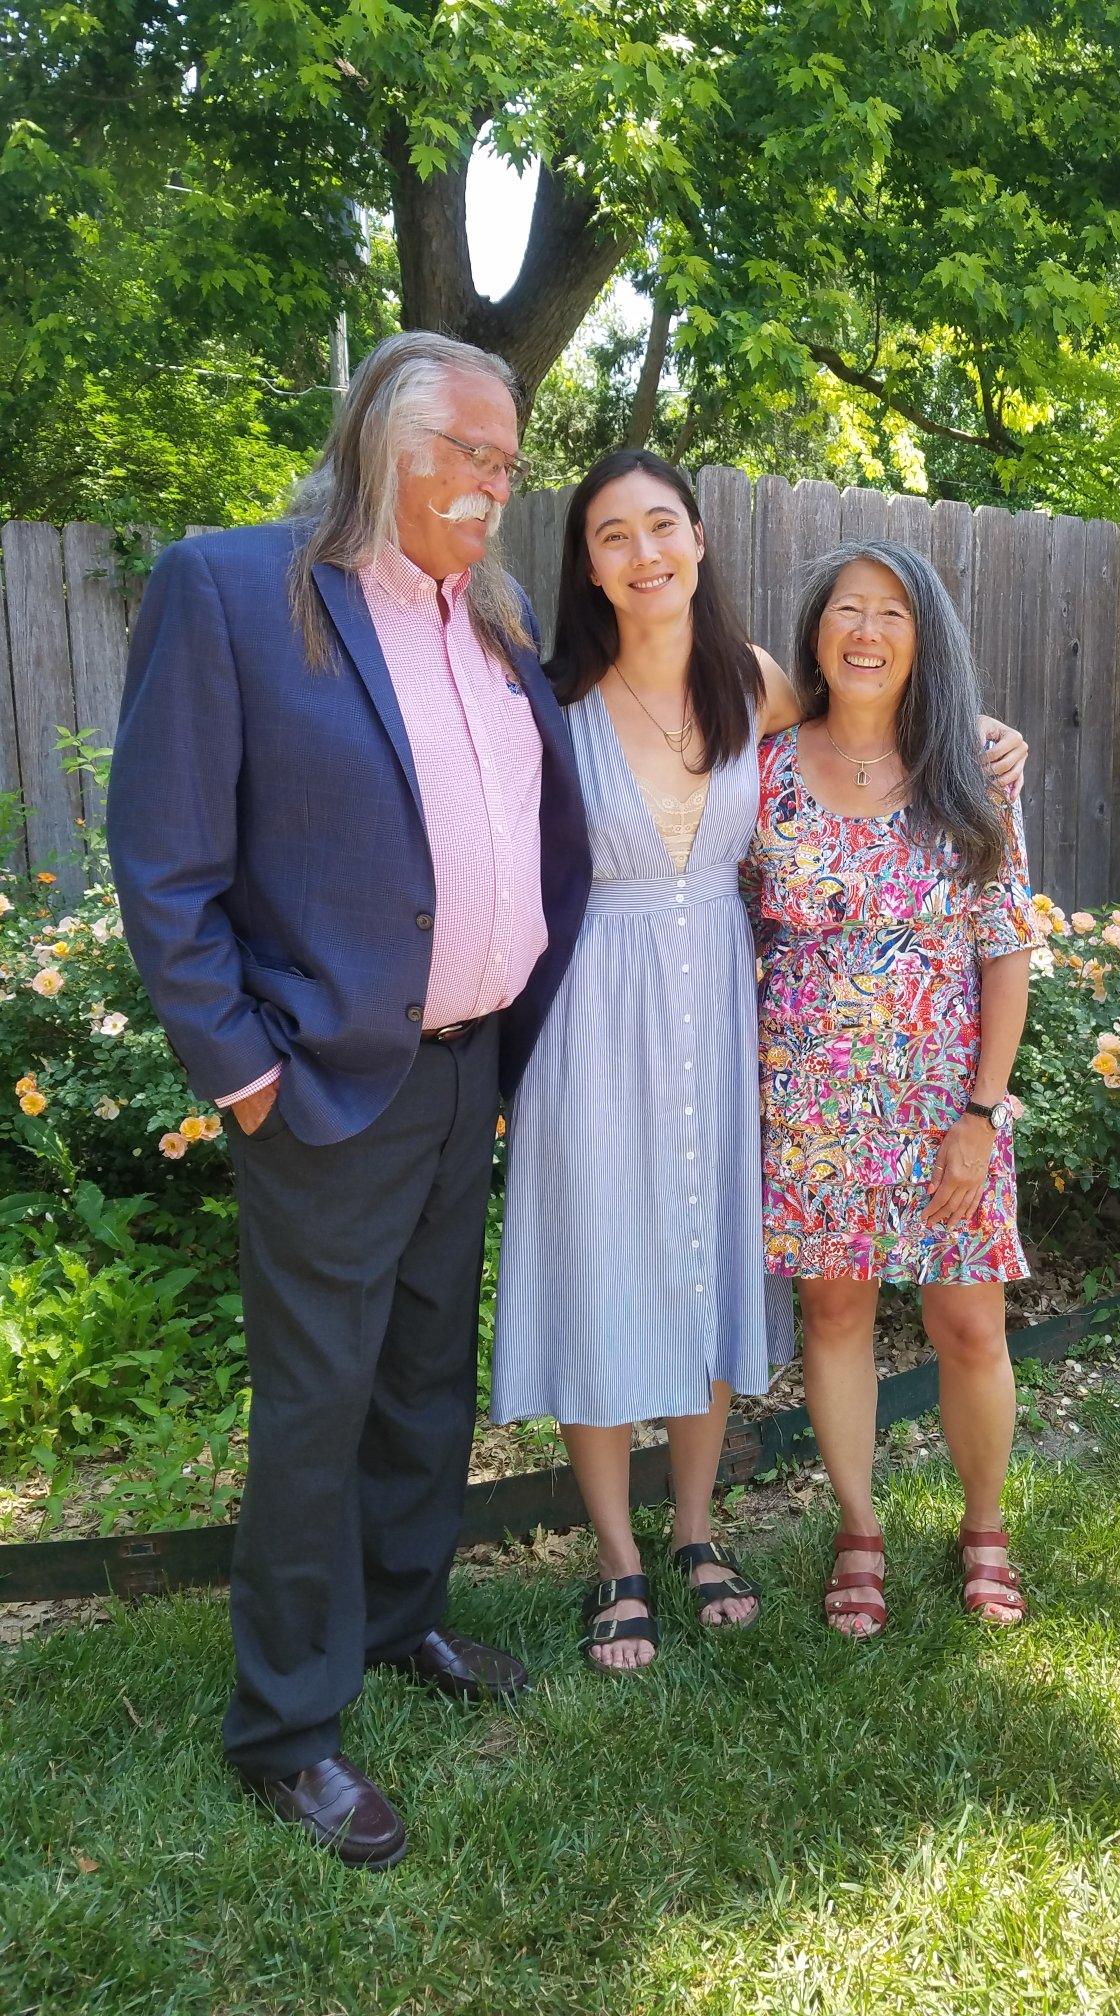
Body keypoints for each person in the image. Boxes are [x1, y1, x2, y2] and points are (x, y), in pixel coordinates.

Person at [107, 331, 591, 1867]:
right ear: (379, 435)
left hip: (463, 1080)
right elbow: (166, 865)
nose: (488, 484)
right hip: (324, 1090)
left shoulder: (494, 630)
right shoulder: (238, 590)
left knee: (422, 1382)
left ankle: (401, 1626)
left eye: (507, 464)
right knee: (318, 1406)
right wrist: (246, 1076)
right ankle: (286, 1729)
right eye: (463, 450)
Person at [491, 453, 1029, 1671]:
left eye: (664, 526)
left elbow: (990, 920)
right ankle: (689, 1551)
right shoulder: (583, 708)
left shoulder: (795, 710)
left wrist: (995, 733)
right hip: (666, 1043)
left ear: (697, 541)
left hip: (835, 1068)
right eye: (614, 534)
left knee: (790, 1289)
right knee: (652, 1275)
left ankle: (790, 1531)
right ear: (587, 561)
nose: (644, 553)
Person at [746, 540, 1040, 1638]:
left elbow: (1005, 948)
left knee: (969, 1324)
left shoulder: (972, 772)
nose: (866, 632)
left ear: (926, 642)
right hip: (813, 1107)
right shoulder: (767, 770)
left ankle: (984, 1528)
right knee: (836, 1313)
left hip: (944, 1111)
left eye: (893, 614)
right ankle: (858, 1529)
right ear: (816, 632)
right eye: (846, 611)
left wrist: (981, 1114)